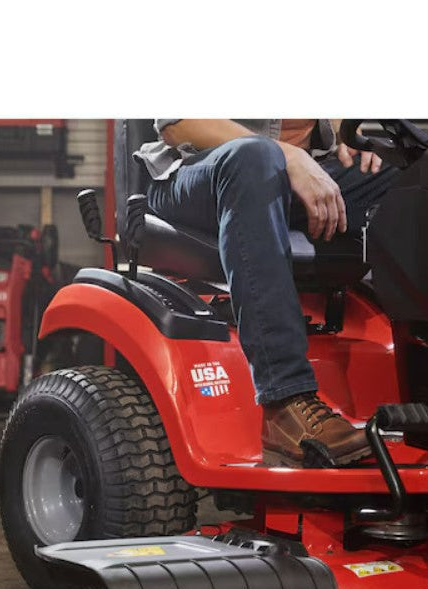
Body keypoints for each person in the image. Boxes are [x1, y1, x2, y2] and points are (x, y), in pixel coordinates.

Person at [135, 119, 400, 467]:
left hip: (299, 171)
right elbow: (180, 124)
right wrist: (286, 154)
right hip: (201, 175)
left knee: (416, 171)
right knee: (255, 158)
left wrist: (347, 138)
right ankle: (285, 401)